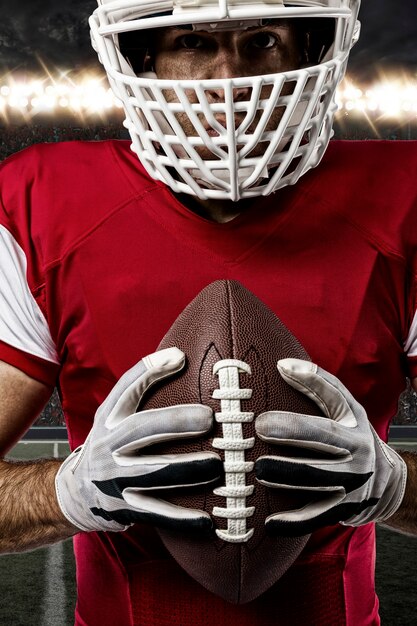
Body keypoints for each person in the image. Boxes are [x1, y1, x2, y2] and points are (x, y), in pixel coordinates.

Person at [0, 0, 416, 624]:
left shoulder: (405, 199)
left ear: (312, 50)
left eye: (262, 41)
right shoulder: (41, 205)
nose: (229, 82)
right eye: (194, 41)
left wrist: (392, 483)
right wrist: (66, 493)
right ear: (143, 59)